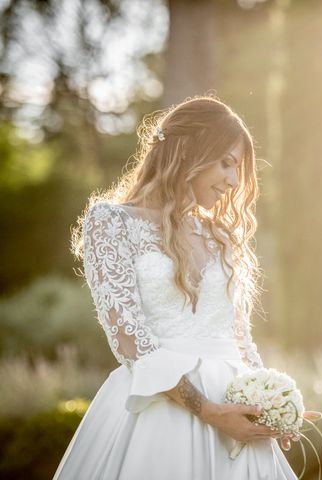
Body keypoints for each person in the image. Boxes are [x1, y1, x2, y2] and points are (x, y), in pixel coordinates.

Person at [54, 94, 308, 479]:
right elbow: (130, 340)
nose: (234, 181)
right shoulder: (111, 223)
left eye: (236, 169)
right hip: (160, 411)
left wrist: (271, 406)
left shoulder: (219, 235)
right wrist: (210, 411)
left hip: (236, 420)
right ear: (187, 149)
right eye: (226, 163)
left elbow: (239, 339)